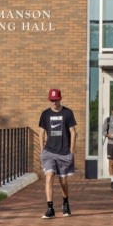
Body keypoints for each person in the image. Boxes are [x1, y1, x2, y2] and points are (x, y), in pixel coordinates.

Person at [38, 87, 77, 219]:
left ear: (60, 99)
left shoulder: (68, 113)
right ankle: (50, 208)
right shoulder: (45, 114)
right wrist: (42, 150)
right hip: (49, 151)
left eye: (56, 100)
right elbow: (41, 133)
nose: (54, 102)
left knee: (63, 181)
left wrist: (71, 152)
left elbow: (73, 132)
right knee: (49, 177)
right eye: (52, 100)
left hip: (64, 152)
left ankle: (65, 202)